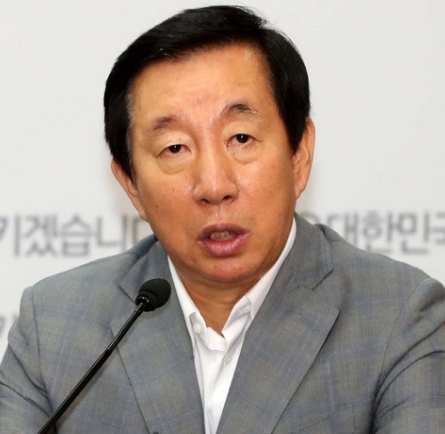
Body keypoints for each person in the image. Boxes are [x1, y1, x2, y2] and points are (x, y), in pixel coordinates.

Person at [1, 5, 444, 433]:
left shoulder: (399, 318)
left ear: (299, 155)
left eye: (241, 138)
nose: (214, 185)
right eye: (175, 148)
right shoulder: (54, 328)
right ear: (132, 185)